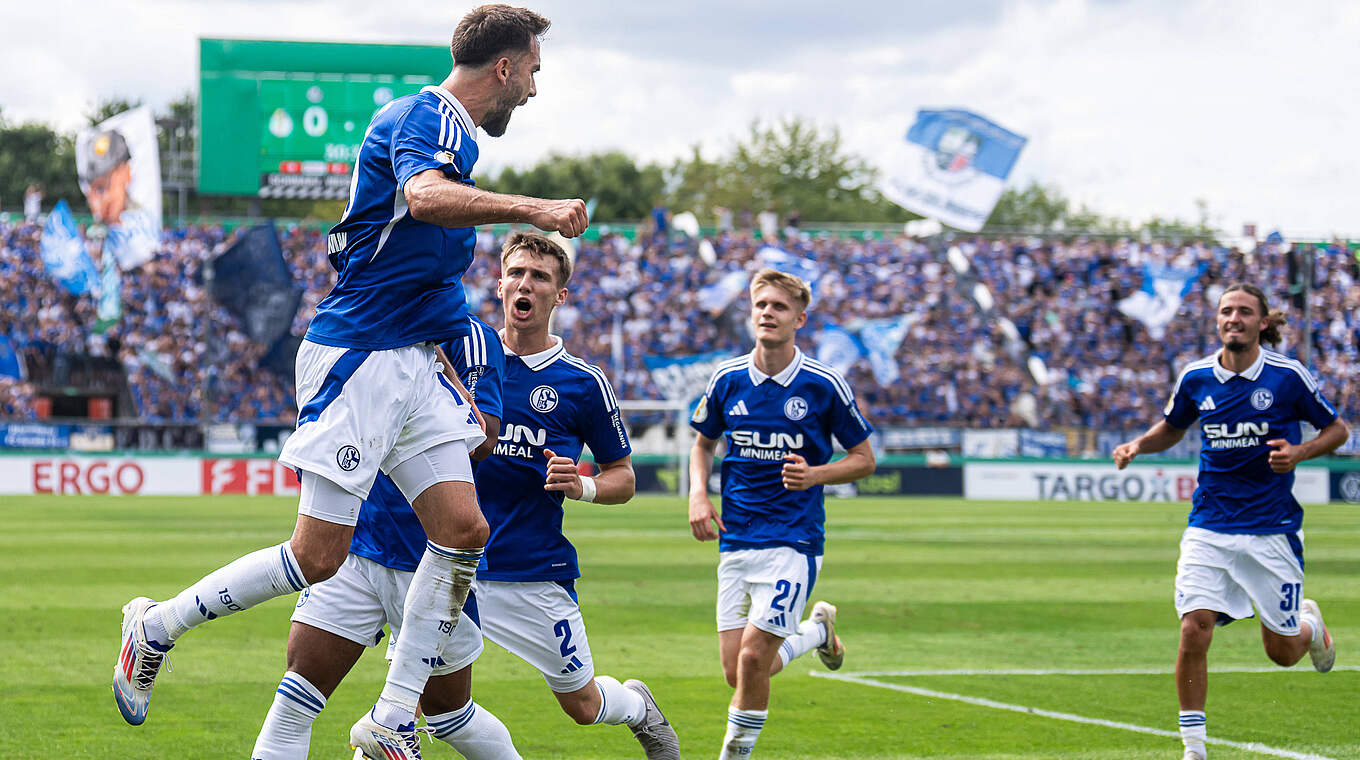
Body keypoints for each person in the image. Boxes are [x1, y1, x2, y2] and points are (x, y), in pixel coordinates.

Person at [113, 7, 589, 760]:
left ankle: (394, 717)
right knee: (317, 555)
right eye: (532, 70)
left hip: (406, 360)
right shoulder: (427, 115)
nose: (532, 89)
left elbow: (420, 239)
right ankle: (156, 626)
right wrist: (534, 209)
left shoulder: (448, 135)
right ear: (504, 66)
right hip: (359, 356)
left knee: (464, 530)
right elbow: (427, 198)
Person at [446, 231, 679, 759]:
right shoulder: (465, 358)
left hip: (532, 571)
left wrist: (584, 485)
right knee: (419, 700)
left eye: (541, 277)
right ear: (500, 283)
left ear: (560, 295)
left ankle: (638, 706)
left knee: (583, 705)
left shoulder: (582, 383)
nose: (526, 284)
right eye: (518, 273)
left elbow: (624, 476)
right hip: (451, 563)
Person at [250, 315, 516, 760]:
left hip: (427, 556)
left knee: (449, 712)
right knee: (294, 699)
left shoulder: (471, 336)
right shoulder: (360, 321)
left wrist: (439, 373)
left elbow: (483, 438)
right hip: (358, 544)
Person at [1112, 283, 1350, 760]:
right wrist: (1139, 443)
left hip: (1272, 529)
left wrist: (1299, 452)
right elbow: (1174, 427)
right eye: (1226, 311)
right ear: (1217, 321)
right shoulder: (1196, 377)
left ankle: (1308, 624)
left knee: (1281, 654)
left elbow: (1338, 429)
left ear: (1263, 322)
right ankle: (1194, 750)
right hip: (1209, 526)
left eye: (1244, 311)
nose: (1233, 318)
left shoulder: (1287, 377)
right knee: (1193, 626)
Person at [688, 268, 877, 760]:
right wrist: (697, 496)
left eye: (778, 307)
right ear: (751, 314)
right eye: (761, 306)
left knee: (754, 658)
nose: (767, 313)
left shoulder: (822, 384)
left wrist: (816, 475)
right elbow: (702, 445)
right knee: (741, 672)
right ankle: (818, 631)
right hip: (737, 540)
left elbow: (864, 459)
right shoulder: (728, 379)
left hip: (793, 541)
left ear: (799, 318)